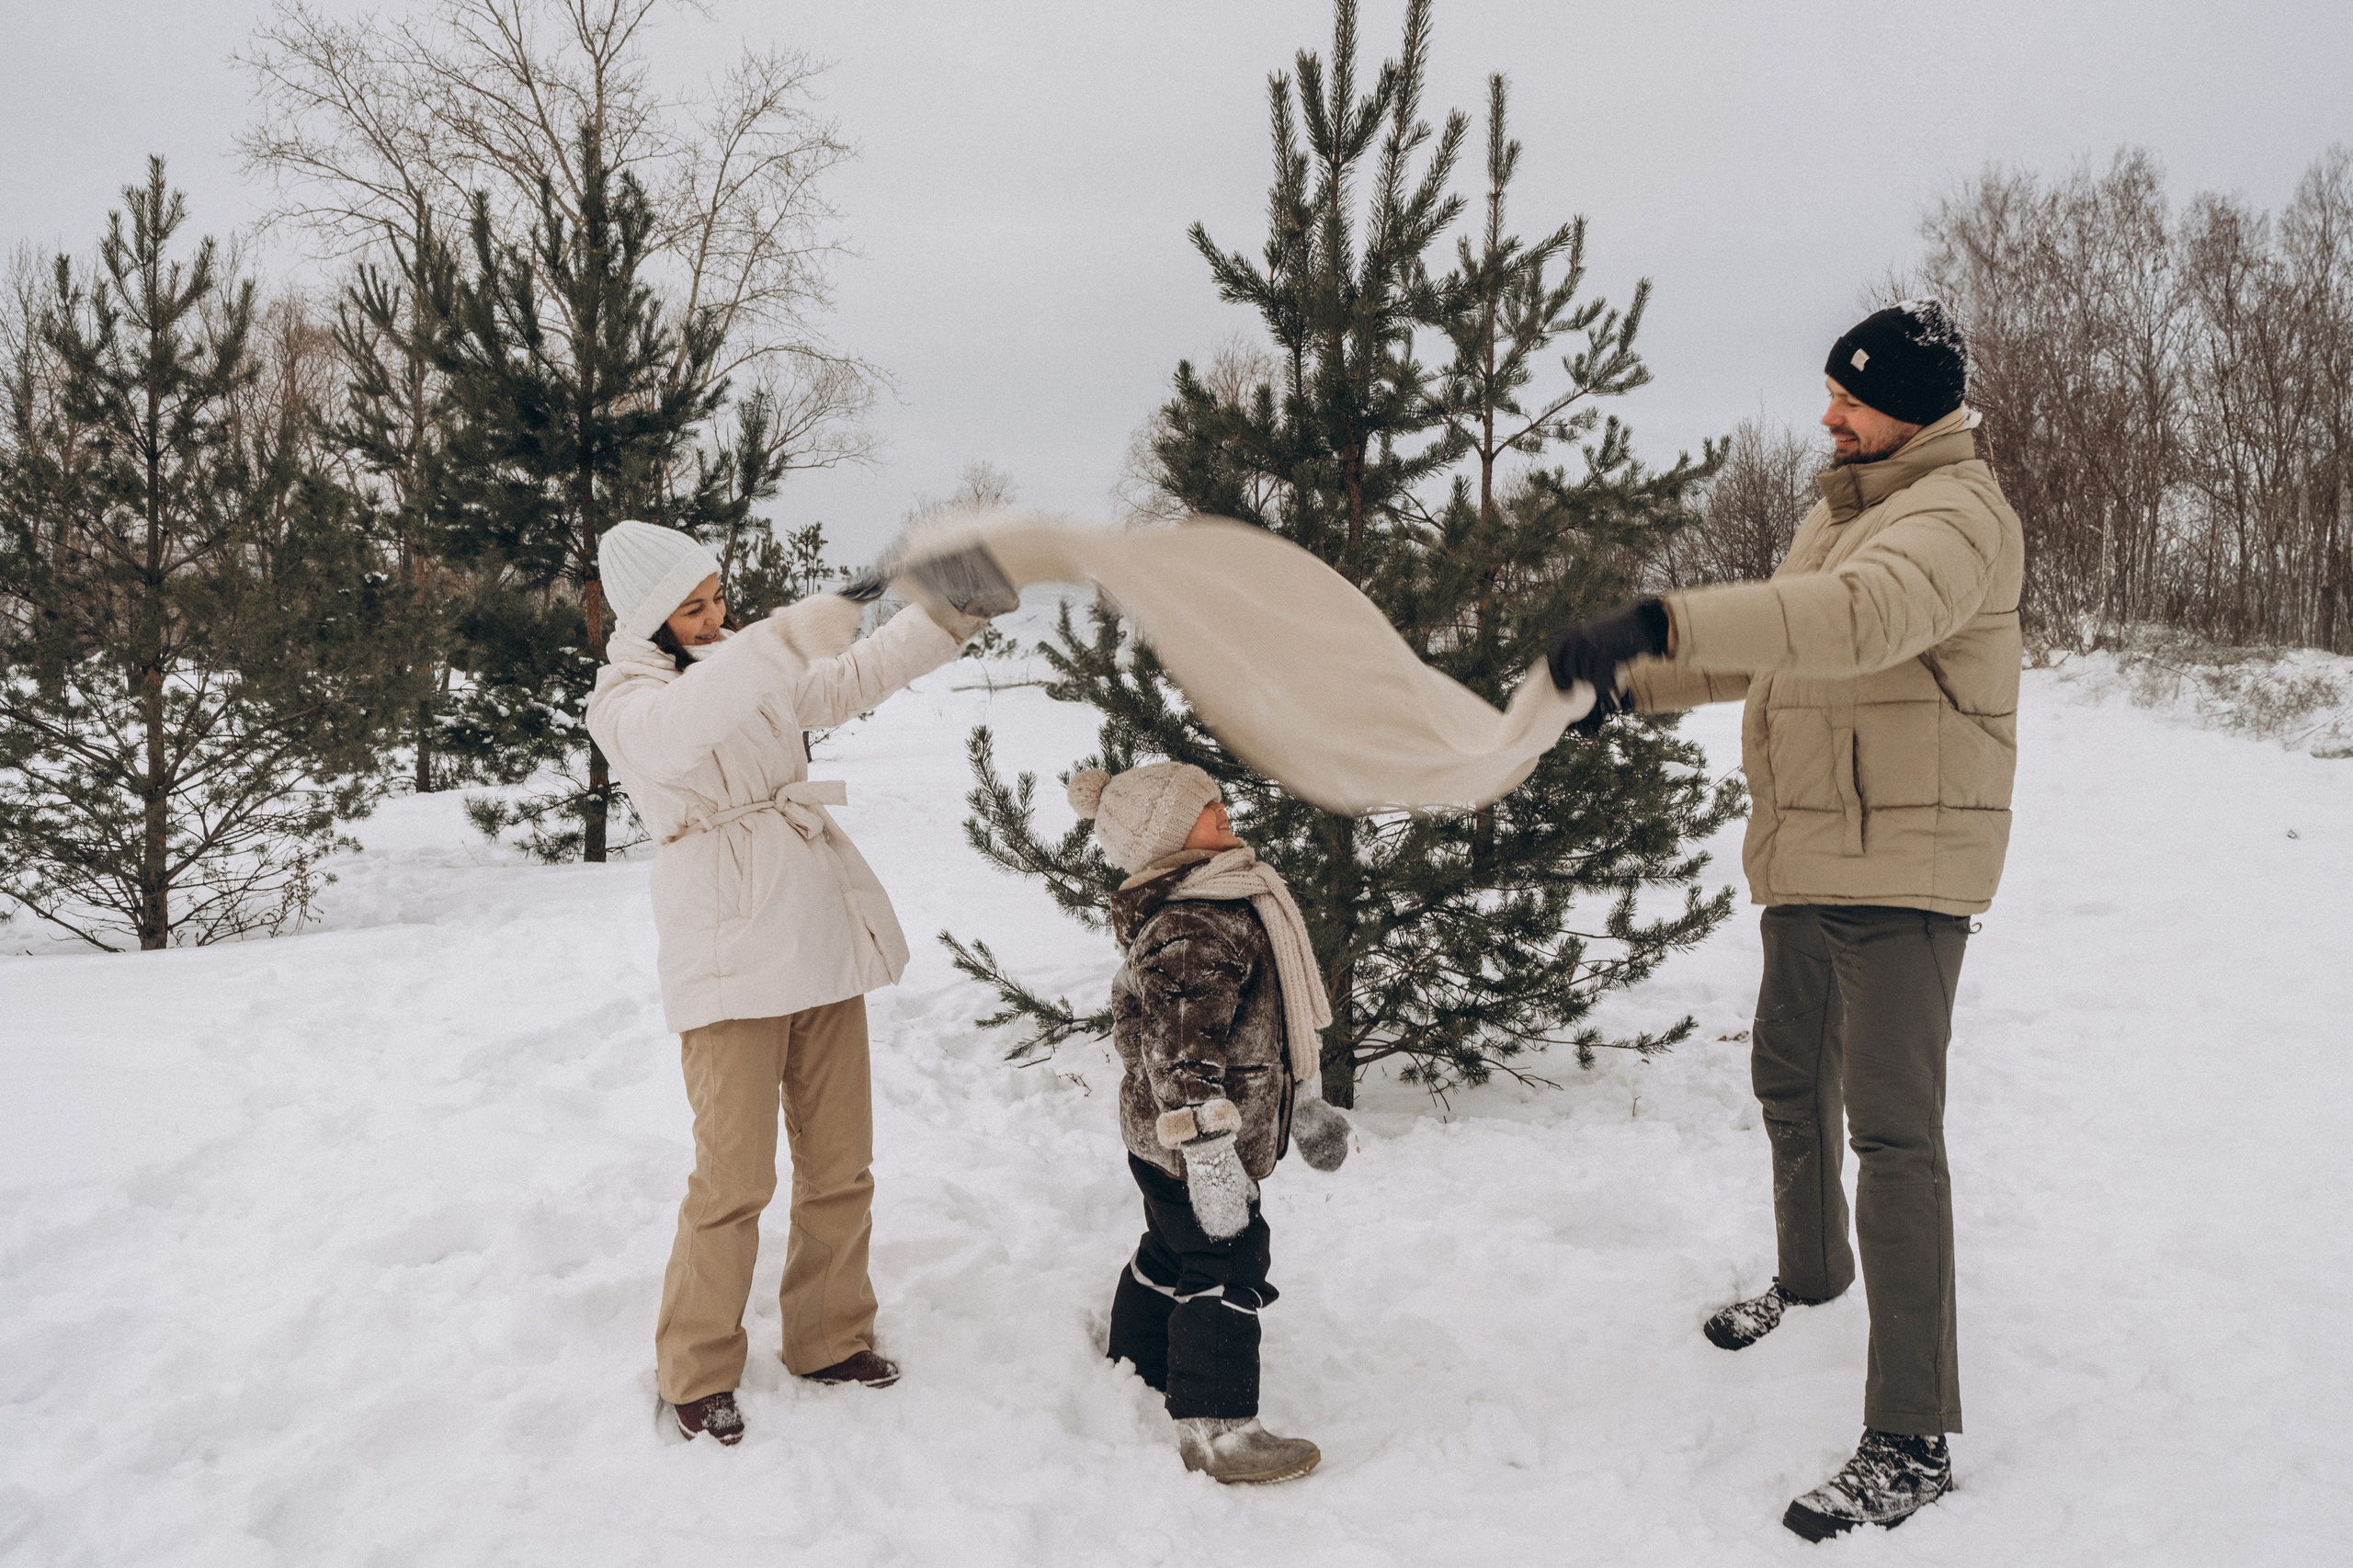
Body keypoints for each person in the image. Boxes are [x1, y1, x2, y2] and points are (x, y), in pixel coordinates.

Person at [1546, 301, 2023, 1540]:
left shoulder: (1958, 519)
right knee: (1782, 1077)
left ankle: (1912, 1434)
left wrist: (1663, 616)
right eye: (1830, 395)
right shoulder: (1844, 507)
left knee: (1896, 1134)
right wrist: (1632, 681)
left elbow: (1854, 623)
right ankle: (1811, 1279)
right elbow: (1777, 647)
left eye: (1851, 399)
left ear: (1911, 407)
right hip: (1811, 851)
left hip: (1903, 869)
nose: (1830, 416)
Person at [585, 519, 1008, 1446]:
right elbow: (687, 730)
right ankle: (695, 1369)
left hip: (812, 927)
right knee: (732, 1176)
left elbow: (845, 680)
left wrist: (946, 615)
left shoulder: (742, 654)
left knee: (839, 1160)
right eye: (690, 607)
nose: (712, 617)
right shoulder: (626, 698)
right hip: (728, 949)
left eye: (716, 598)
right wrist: (779, 636)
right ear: (648, 617)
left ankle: (827, 1335)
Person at [1072, 762, 1351, 1484]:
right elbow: (1180, 1054)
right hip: (1194, 1142)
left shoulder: (1223, 896)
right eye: (1203, 807)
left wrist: (1306, 1101)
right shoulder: (1193, 924)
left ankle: (1137, 1357)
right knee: (1227, 1260)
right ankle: (1219, 1430)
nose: (1223, 809)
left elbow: (1274, 1023)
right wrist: (1210, 1156)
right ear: (1166, 835)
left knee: (1172, 1248)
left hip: (1170, 1139)